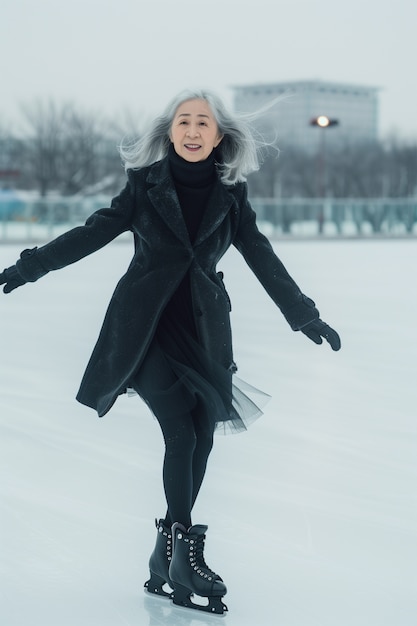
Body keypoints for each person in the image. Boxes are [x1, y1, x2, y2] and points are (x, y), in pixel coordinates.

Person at [0, 89, 341, 614]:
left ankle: (166, 553)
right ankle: (184, 554)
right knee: (180, 429)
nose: (192, 129)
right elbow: (91, 234)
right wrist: (29, 267)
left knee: (203, 433)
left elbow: (260, 254)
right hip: (147, 329)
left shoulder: (232, 193)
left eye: (202, 122)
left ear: (219, 136)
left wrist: (304, 314)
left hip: (204, 331)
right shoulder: (145, 186)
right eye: (183, 121)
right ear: (170, 132)